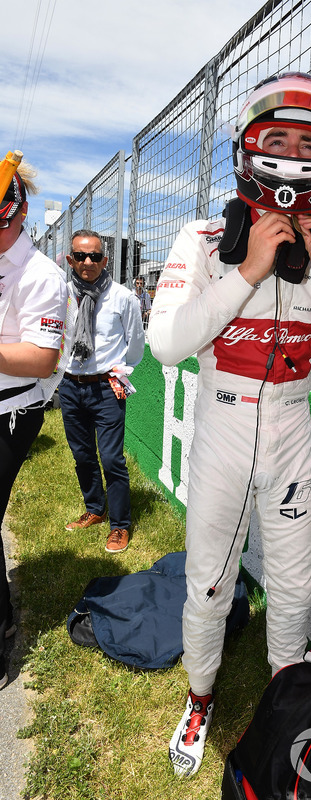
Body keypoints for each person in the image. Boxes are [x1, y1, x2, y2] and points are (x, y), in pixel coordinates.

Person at [148, 72, 311, 778]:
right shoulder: (202, 239)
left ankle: (282, 703)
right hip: (221, 425)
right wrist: (250, 268)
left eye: (307, 141)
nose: (293, 153)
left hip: (292, 426)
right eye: (279, 139)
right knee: (208, 581)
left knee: (294, 588)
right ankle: (199, 697)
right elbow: (167, 346)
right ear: (249, 146)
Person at [0, 164, 69, 690]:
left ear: (20, 212)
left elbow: (43, 359)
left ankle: (3, 633)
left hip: (12, 412)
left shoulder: (42, 274)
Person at [59, 230, 145, 554]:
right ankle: (96, 509)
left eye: (95, 256)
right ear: (70, 259)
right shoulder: (63, 294)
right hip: (70, 386)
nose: (88, 262)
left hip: (108, 386)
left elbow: (135, 346)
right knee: (82, 456)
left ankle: (120, 525)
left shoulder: (123, 297)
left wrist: (118, 371)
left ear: (105, 260)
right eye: (80, 256)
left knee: (111, 458)